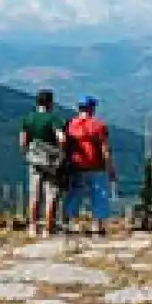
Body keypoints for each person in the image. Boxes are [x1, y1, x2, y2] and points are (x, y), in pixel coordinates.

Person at [64, 95, 114, 236]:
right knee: (99, 196)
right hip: (96, 166)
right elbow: (105, 149)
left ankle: (70, 223)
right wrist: (110, 168)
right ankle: (97, 226)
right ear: (92, 108)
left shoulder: (71, 125)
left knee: (74, 195)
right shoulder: (98, 125)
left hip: (76, 166)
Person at [20, 90, 67, 237]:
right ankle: (48, 228)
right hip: (51, 161)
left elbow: (22, 140)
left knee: (34, 194)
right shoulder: (53, 118)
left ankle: (33, 227)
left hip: (34, 159)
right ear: (50, 103)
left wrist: (27, 153)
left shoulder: (28, 118)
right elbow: (62, 138)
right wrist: (61, 153)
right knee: (51, 194)